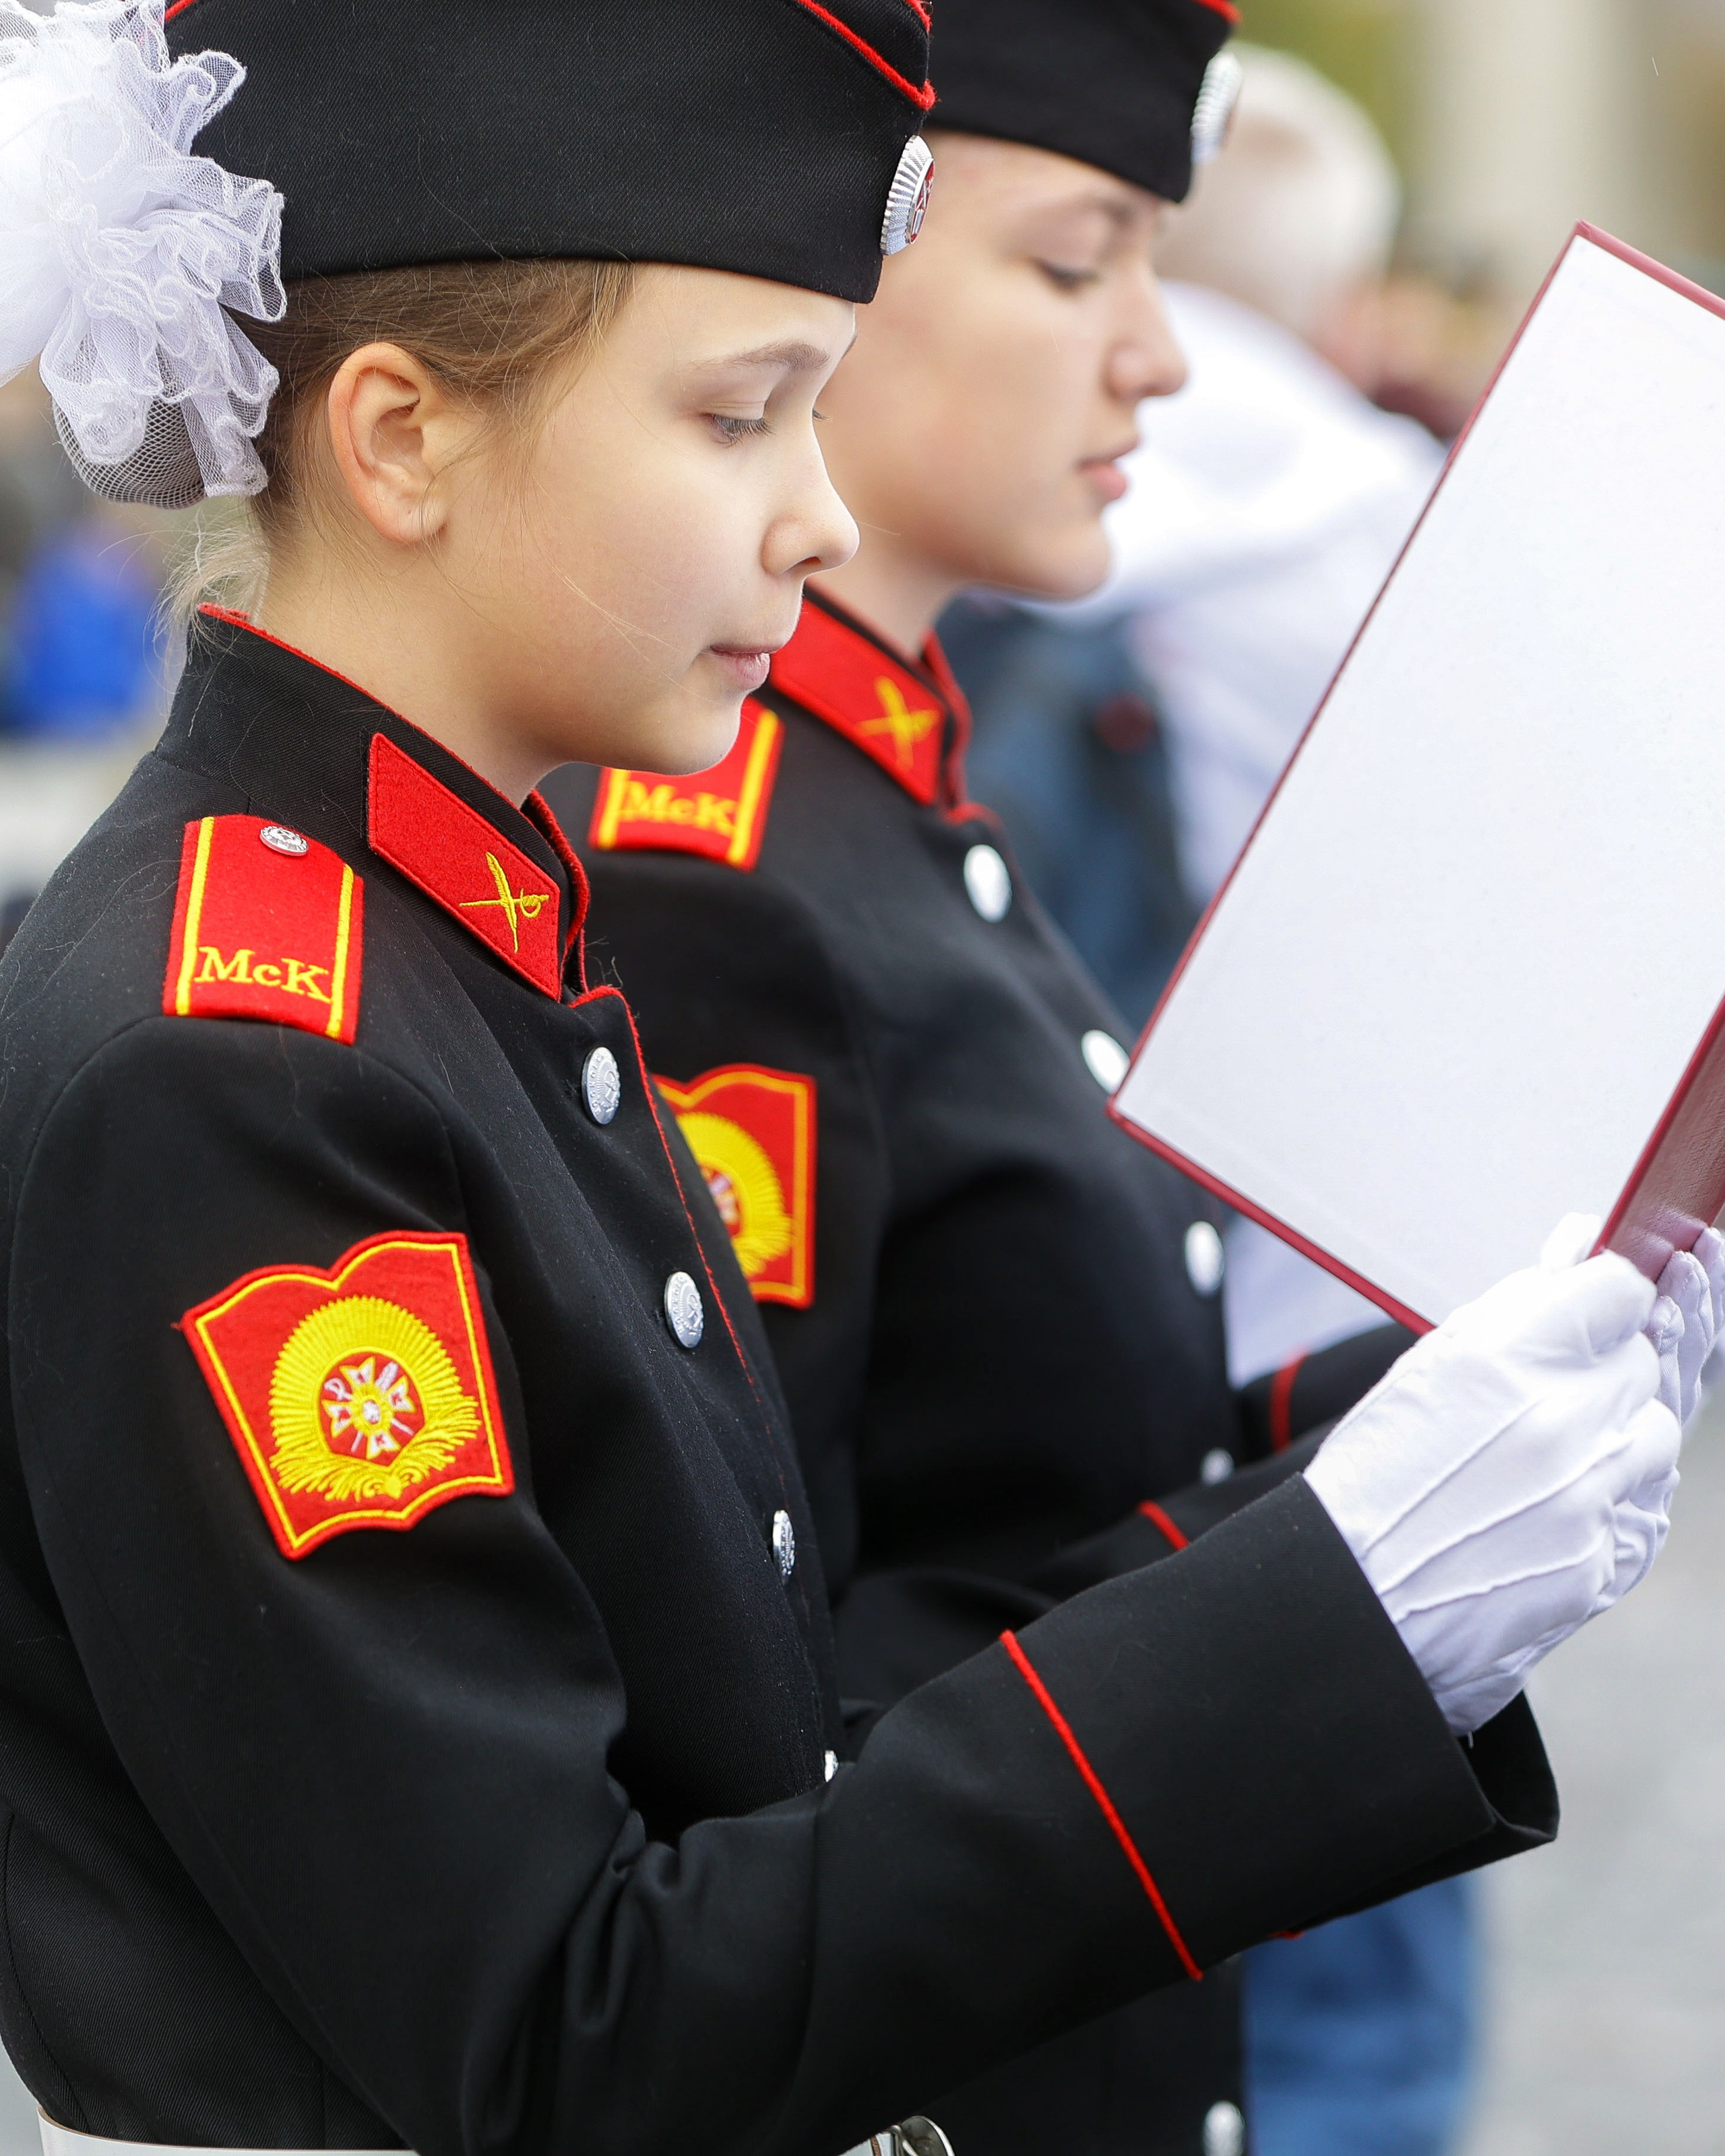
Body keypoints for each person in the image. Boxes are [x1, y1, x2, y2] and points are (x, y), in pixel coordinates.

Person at [0, 5, 1702, 2156]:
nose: (817, 520)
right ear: (404, 440)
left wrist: (1392, 1480)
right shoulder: (235, 1059)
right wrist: (1339, 1607)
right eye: (740, 416)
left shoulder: (448, 942)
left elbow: (787, 1726)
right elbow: (563, 2030)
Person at [540, 4, 1715, 2151]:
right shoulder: (719, 880)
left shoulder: (898, 806)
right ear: (847, 272)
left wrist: (1447, 1409)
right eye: (1077, 263)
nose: (1162, 358)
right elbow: (758, 1708)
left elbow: (1057, 1461)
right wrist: (1343, 1583)